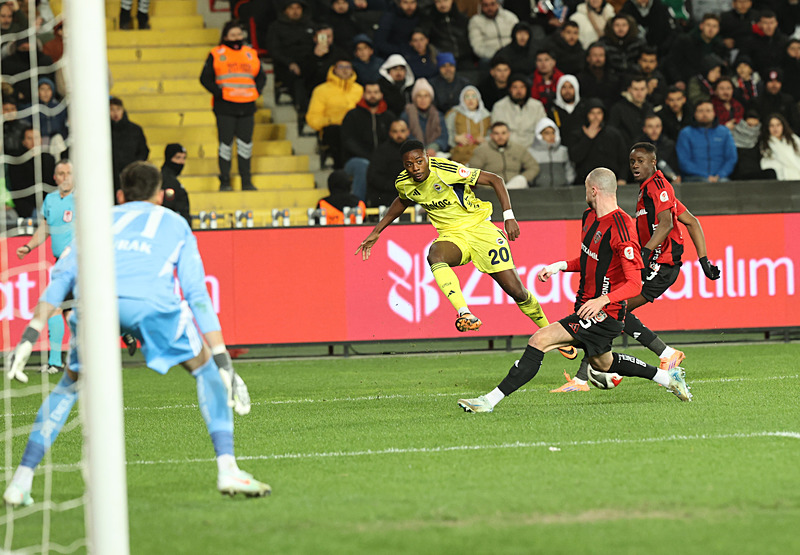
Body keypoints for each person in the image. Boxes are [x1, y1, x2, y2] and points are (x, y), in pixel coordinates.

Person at [3, 161, 270, 508]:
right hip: (151, 305)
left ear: (120, 195)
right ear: (159, 196)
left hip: (95, 307)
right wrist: (222, 359)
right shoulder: (174, 223)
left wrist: (30, 333)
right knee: (206, 371)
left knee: (68, 386)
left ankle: (20, 481)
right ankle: (228, 468)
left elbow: (62, 277)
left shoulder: (96, 221)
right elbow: (196, 294)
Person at [456, 167, 692, 413]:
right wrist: (561, 266)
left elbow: (634, 283)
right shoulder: (589, 217)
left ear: (594, 190)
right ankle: (668, 378)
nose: (585, 194)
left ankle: (488, 401)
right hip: (587, 306)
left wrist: (602, 300)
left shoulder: (622, 227)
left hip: (604, 313)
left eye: (586, 189)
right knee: (603, 363)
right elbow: (590, 260)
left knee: (540, 340)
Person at [356, 140, 576, 359]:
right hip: (452, 236)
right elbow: (403, 200)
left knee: (517, 291)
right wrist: (377, 230)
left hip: (481, 230)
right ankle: (465, 313)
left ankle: (551, 333)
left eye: (419, 161)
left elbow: (495, 180)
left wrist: (508, 216)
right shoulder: (404, 182)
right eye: (409, 165)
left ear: (427, 158)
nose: (415, 168)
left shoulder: (447, 170)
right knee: (435, 255)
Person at [552, 143, 721, 392]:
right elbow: (691, 221)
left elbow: (666, 224)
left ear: (653, 162)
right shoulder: (648, 190)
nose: (635, 166)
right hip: (652, 262)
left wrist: (646, 251)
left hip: (660, 264)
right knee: (610, 310)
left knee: (612, 308)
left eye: (640, 161)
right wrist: (703, 260)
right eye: (632, 161)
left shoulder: (659, 186)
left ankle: (660, 355)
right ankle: (588, 374)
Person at [15, 160, 73, 374]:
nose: (65, 177)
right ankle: (57, 361)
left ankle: (57, 362)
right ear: (55, 177)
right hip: (61, 264)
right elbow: (45, 228)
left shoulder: (83, 199)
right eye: (61, 173)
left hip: (79, 263)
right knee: (62, 310)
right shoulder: (50, 200)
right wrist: (28, 246)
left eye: (68, 173)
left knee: (59, 308)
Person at [200, 21, 266, 192]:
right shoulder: (216, 54)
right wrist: (219, 93)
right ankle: (225, 181)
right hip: (225, 107)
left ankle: (246, 181)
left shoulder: (250, 53)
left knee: (245, 146)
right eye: (233, 35)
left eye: (239, 34)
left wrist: (256, 91)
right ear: (225, 37)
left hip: (247, 106)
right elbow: (205, 78)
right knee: (225, 146)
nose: (237, 38)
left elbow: (261, 76)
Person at [306, 56, 364, 169]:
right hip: (334, 130)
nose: (345, 70)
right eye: (341, 67)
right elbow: (313, 119)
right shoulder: (321, 90)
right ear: (334, 69)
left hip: (356, 129)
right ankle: (342, 170)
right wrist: (332, 120)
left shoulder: (360, 89)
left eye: (348, 67)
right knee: (337, 133)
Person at [341, 82, 395, 200]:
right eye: (369, 92)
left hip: (382, 159)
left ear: (381, 95)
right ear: (363, 95)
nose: (372, 95)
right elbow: (348, 141)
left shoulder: (389, 117)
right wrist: (370, 157)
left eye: (375, 92)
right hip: (356, 160)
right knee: (363, 166)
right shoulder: (352, 115)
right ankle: (358, 205)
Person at [267, 0, 316, 113]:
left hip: (309, 62)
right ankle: (303, 111)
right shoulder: (276, 27)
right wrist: (289, 63)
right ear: (285, 11)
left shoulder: (311, 25)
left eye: (298, 8)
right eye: (291, 8)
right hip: (285, 65)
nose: (295, 11)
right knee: (298, 79)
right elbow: (274, 50)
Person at [568, 98, 628, 185]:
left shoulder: (614, 134)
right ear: (587, 114)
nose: (596, 117)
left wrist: (622, 178)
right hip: (585, 183)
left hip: (610, 182)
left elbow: (624, 159)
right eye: (592, 113)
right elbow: (574, 158)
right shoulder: (577, 134)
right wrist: (587, 138)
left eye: (599, 113)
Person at [676, 99, 738, 182]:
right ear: (695, 114)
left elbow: (731, 158)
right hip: (693, 177)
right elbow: (683, 160)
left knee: (724, 183)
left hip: (720, 177)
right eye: (700, 111)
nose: (704, 114)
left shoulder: (724, 132)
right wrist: (705, 176)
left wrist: (720, 175)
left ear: (714, 113)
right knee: (704, 182)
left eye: (708, 111)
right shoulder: (686, 133)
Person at [664, 13, 727, 88]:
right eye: (708, 25)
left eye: (714, 26)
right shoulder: (685, 41)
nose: (711, 29)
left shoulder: (720, 46)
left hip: (710, 84)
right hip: (685, 82)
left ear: (718, 29)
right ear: (701, 26)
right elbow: (672, 62)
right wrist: (678, 80)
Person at [469, 121, 540, 189]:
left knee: (520, 180)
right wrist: (488, 185)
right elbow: (473, 172)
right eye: (496, 133)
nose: (500, 136)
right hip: (492, 189)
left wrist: (524, 178)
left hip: (516, 187)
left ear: (508, 134)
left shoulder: (518, 149)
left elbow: (533, 167)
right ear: (491, 135)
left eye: (503, 133)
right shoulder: (481, 150)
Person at [7, 127, 56, 218]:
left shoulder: (49, 159)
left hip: (48, 206)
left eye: (36, 137)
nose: (34, 141)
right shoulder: (16, 160)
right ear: (23, 141)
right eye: (29, 138)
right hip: (27, 209)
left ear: (41, 139)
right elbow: (18, 190)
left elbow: (53, 186)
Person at [490, 74, 545, 150]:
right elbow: (496, 132)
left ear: (527, 89)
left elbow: (543, 130)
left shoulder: (537, 106)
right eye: (515, 87)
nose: (519, 91)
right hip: (507, 149)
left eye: (522, 87)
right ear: (510, 89)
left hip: (533, 149)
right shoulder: (499, 106)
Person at [366, 118, 410, 207]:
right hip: (387, 195)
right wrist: (395, 186)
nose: (399, 135)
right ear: (390, 133)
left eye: (402, 131)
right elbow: (373, 177)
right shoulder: (381, 151)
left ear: (408, 132)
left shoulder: (414, 150)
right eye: (395, 131)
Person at [401, 78, 448, 155]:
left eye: (426, 96)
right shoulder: (406, 116)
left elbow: (444, 137)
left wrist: (434, 147)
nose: (423, 99)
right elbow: (404, 137)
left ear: (431, 98)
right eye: (419, 96)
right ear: (414, 98)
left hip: (434, 153)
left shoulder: (438, 115)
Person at [421, 0, 473, 70]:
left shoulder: (463, 19)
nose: (442, 5)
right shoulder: (429, 22)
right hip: (443, 60)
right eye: (438, 2)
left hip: (465, 58)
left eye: (445, 0)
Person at [445, 86, 490, 165]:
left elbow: (492, 134)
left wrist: (485, 140)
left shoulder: (486, 116)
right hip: (460, 154)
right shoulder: (454, 114)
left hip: (482, 154)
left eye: (474, 96)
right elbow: (445, 132)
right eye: (467, 97)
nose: (470, 100)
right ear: (462, 99)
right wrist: (455, 138)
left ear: (478, 99)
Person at [607, 74, 654, 147]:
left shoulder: (649, 107)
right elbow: (611, 134)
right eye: (636, 89)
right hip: (625, 150)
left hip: (646, 149)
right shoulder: (618, 108)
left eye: (642, 89)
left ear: (647, 90)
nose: (639, 93)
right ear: (629, 90)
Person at [528, 118, 574, 187]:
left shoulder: (562, 151)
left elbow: (569, 170)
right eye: (547, 133)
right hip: (538, 191)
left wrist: (567, 183)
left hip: (562, 190)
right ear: (539, 135)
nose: (551, 136)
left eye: (553, 133)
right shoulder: (531, 152)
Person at [576, 42, 621, 110]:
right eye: (595, 55)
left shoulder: (614, 79)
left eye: (601, 55)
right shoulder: (579, 79)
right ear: (588, 58)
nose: (598, 58)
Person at [755, 68, 800, 133]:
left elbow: (796, 123)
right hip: (763, 136)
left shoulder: (788, 101)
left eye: (777, 81)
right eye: (771, 81)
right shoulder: (757, 102)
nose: (774, 85)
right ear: (765, 83)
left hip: (786, 136)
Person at [547, 75, 586, 148]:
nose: (567, 91)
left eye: (571, 87)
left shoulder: (584, 107)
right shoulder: (553, 109)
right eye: (564, 87)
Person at [638, 113, 679, 182]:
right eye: (650, 126)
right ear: (644, 129)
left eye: (657, 126)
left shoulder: (669, 145)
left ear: (661, 128)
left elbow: (675, 168)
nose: (654, 130)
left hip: (666, 183)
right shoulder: (638, 146)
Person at [759, 113, 800, 180]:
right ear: (768, 128)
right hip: (782, 178)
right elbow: (767, 163)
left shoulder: (793, 139)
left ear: (782, 126)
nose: (775, 128)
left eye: (778, 125)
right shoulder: (765, 144)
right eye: (772, 126)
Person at [160, 143, 191, 226]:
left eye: (184, 158)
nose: (181, 162)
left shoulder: (172, 179)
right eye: (178, 158)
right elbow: (168, 207)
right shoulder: (166, 180)